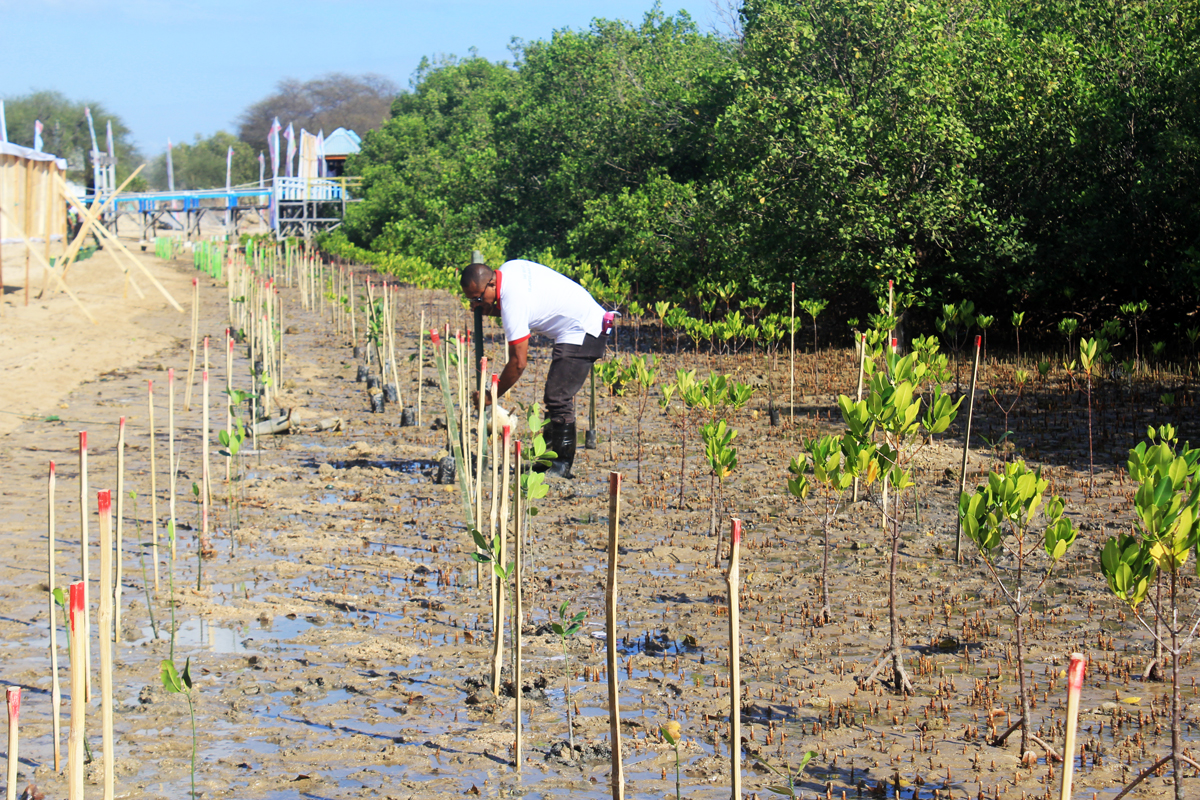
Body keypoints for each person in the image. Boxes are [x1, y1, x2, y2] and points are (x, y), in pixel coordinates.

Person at [461, 259, 611, 478]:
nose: (475, 302)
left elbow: (518, 363)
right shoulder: (509, 270)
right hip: (576, 327)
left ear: (492, 284)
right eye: (471, 300)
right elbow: (528, 307)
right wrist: (489, 307)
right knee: (555, 396)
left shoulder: (513, 301)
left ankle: (561, 466)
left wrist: (491, 396)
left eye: (478, 297)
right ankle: (547, 461)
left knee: (558, 397)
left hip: (586, 330)